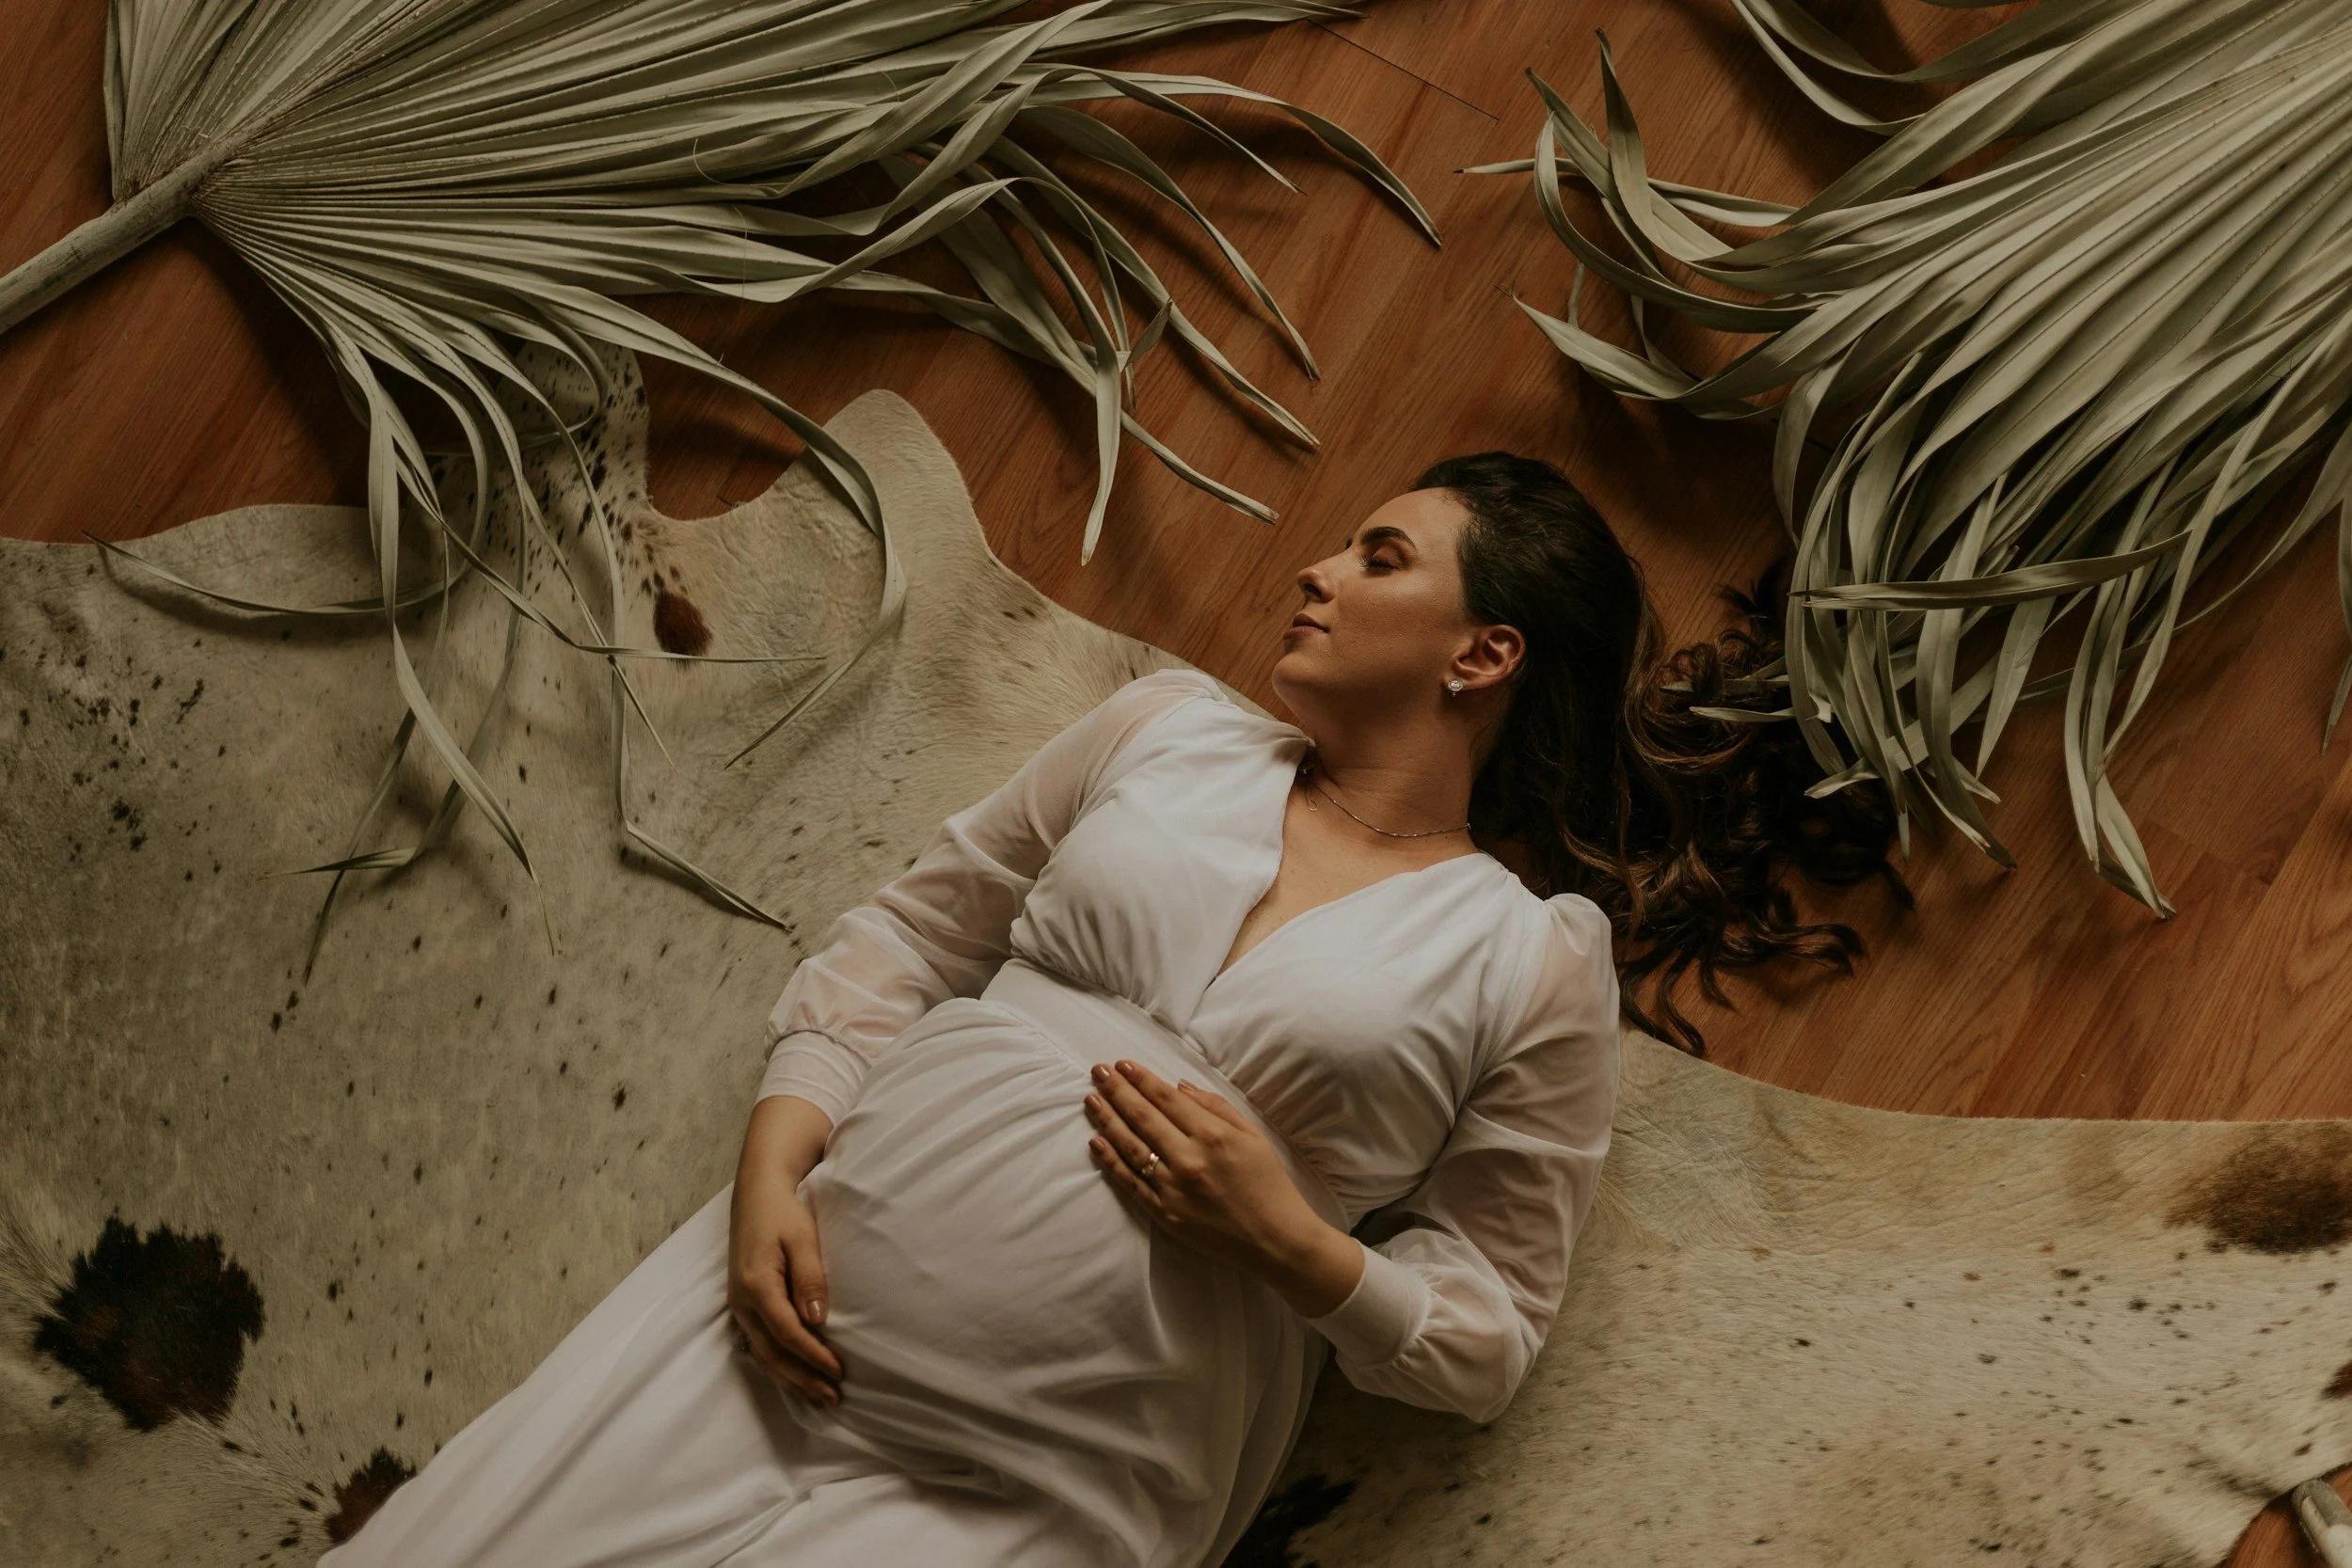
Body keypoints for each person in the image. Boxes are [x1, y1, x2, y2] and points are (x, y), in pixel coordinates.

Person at [321, 452, 1893, 1568]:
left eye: (1382, 556)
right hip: (765, 1333)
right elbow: (915, 934)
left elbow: (1486, 1333)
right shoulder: (1164, 735)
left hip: (1045, 1499)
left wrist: (1296, 1243)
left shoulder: (1523, 957)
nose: (1320, 567)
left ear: (1483, 653)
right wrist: (772, 1165)